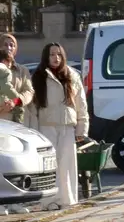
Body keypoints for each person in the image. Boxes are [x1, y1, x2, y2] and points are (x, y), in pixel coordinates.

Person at [30, 43, 89, 209]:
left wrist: (82, 128)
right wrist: (35, 133)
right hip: (46, 126)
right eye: (52, 55)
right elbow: (33, 108)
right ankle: (50, 201)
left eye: (59, 55)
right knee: (49, 165)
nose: (56, 58)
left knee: (67, 164)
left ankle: (68, 199)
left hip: (67, 126)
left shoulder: (71, 75)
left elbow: (81, 103)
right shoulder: (38, 77)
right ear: (45, 57)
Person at [1, 34, 34, 124]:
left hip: (17, 121)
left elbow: (29, 91)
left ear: (15, 50)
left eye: (12, 45)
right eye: (5, 44)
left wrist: (15, 101)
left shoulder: (23, 70)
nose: (9, 47)